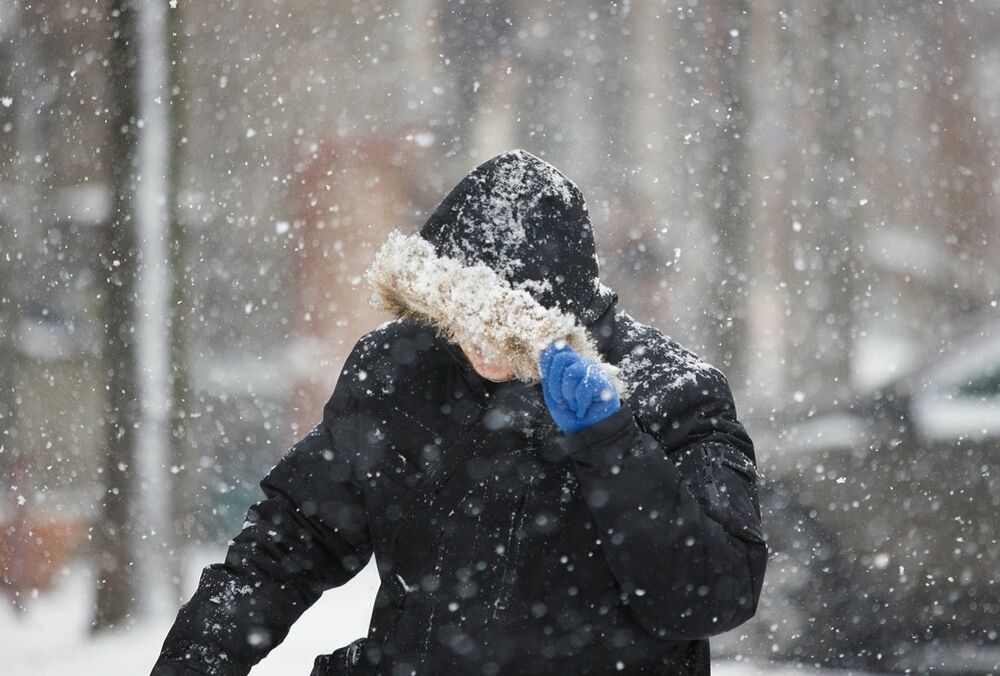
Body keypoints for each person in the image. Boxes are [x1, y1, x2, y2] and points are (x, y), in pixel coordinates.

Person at [151, 149, 767, 675]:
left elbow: (713, 597)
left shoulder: (675, 393)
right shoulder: (401, 372)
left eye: (504, 324)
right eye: (460, 314)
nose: (479, 343)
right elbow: (287, 545)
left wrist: (610, 444)